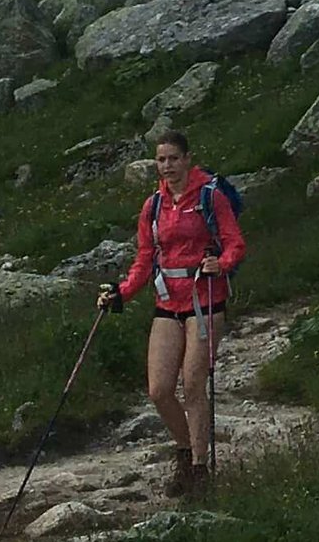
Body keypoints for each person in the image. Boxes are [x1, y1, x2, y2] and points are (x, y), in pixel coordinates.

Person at [100, 127, 243, 496]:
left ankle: (199, 468)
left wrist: (221, 264)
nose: (167, 166)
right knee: (159, 389)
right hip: (167, 302)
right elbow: (145, 258)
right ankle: (184, 452)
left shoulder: (210, 196)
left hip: (205, 298)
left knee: (193, 383)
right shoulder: (154, 206)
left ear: (187, 159)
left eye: (173, 159)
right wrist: (122, 293)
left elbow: (235, 243)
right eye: (161, 160)